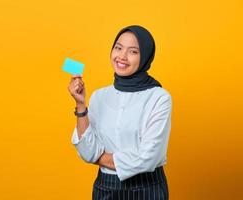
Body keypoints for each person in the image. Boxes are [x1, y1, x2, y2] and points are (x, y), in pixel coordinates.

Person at [68, 25, 172, 200]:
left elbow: (149, 157)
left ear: (145, 56)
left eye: (133, 51)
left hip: (147, 188)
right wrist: (80, 104)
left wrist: (98, 157)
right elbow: (86, 149)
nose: (122, 56)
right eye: (118, 48)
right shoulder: (99, 96)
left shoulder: (159, 98)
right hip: (105, 187)